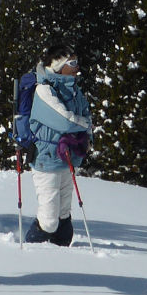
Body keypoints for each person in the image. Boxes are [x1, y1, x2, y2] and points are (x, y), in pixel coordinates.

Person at [17, 37, 92, 245]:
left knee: (63, 214)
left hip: (68, 158)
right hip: (46, 159)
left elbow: (87, 117)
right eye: (72, 64)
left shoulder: (74, 89)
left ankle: (62, 255)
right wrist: (83, 125)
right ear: (59, 67)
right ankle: (32, 250)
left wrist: (87, 135)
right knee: (49, 220)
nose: (77, 68)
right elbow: (64, 121)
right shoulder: (44, 90)